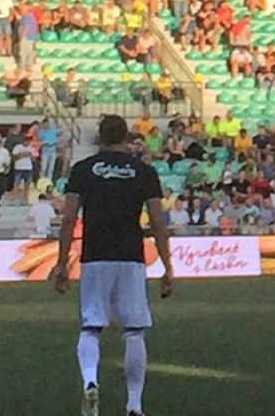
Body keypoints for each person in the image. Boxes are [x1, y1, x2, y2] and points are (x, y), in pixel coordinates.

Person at [52, 114, 172, 416]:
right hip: (131, 256)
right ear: (127, 136)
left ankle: (91, 382)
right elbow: (157, 220)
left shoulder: (82, 170)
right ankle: (134, 404)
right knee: (134, 330)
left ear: (100, 137)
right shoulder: (144, 171)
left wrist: (62, 263)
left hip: (95, 255)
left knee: (91, 326)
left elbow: (68, 219)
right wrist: (168, 266)